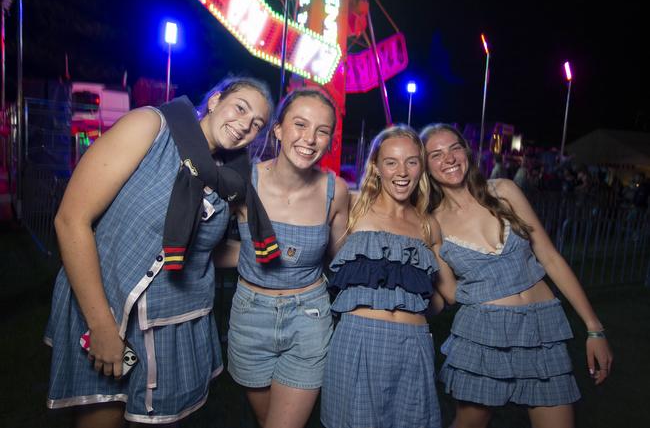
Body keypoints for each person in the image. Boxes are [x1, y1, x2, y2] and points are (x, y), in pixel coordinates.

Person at [44, 76, 274, 426]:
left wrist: (279, 257)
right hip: (107, 305)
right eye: (240, 108)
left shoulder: (229, 179)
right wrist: (102, 326)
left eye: (257, 124)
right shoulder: (152, 126)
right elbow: (71, 219)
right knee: (100, 419)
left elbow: (197, 251)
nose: (245, 125)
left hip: (170, 321)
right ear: (214, 100)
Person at [421, 123, 613, 428]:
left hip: (543, 330)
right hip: (484, 337)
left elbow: (549, 257)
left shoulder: (505, 191)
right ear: (427, 168)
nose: (449, 158)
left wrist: (594, 328)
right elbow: (453, 294)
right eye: (436, 154)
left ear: (466, 152)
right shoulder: (432, 223)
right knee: (469, 423)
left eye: (454, 148)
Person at [227, 88, 349, 428]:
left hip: (308, 317)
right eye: (299, 125)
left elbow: (340, 262)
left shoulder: (334, 191)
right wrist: (251, 255)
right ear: (278, 130)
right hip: (250, 316)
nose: (309, 139)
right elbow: (210, 247)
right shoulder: (244, 181)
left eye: (322, 131)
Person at [320, 125, 455, 428]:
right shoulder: (352, 207)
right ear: (376, 168)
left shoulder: (428, 224)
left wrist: (411, 299)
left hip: (414, 343)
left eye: (412, 161)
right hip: (358, 339)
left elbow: (449, 296)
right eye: (391, 162)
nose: (402, 171)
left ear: (422, 167)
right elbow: (322, 256)